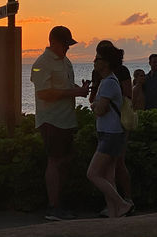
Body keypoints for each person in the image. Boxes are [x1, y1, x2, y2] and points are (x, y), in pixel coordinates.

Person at [31, 26, 90, 221]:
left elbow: (64, 87)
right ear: (54, 42)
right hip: (51, 120)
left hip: (66, 120)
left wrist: (79, 89)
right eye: (65, 44)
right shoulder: (42, 63)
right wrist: (75, 92)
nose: (68, 48)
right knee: (55, 161)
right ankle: (53, 206)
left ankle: (59, 203)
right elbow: (43, 93)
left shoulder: (66, 62)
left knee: (64, 161)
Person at [86, 44, 134, 218]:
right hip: (111, 133)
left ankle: (121, 204)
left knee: (93, 173)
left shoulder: (107, 83)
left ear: (105, 62)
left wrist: (94, 106)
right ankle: (114, 216)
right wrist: (97, 105)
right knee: (108, 176)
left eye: (97, 58)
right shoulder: (110, 81)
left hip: (110, 134)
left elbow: (100, 110)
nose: (94, 61)